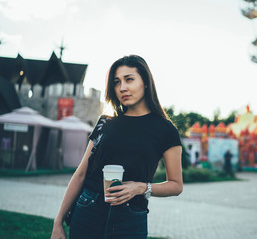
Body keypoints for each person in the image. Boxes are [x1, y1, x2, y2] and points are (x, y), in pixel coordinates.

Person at [51, 55, 183, 239]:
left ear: (145, 82)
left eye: (129, 79)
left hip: (131, 218)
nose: (122, 88)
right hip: (88, 210)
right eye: (116, 82)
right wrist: (58, 222)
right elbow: (81, 173)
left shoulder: (166, 130)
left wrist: (141, 188)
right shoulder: (105, 122)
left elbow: (176, 185)